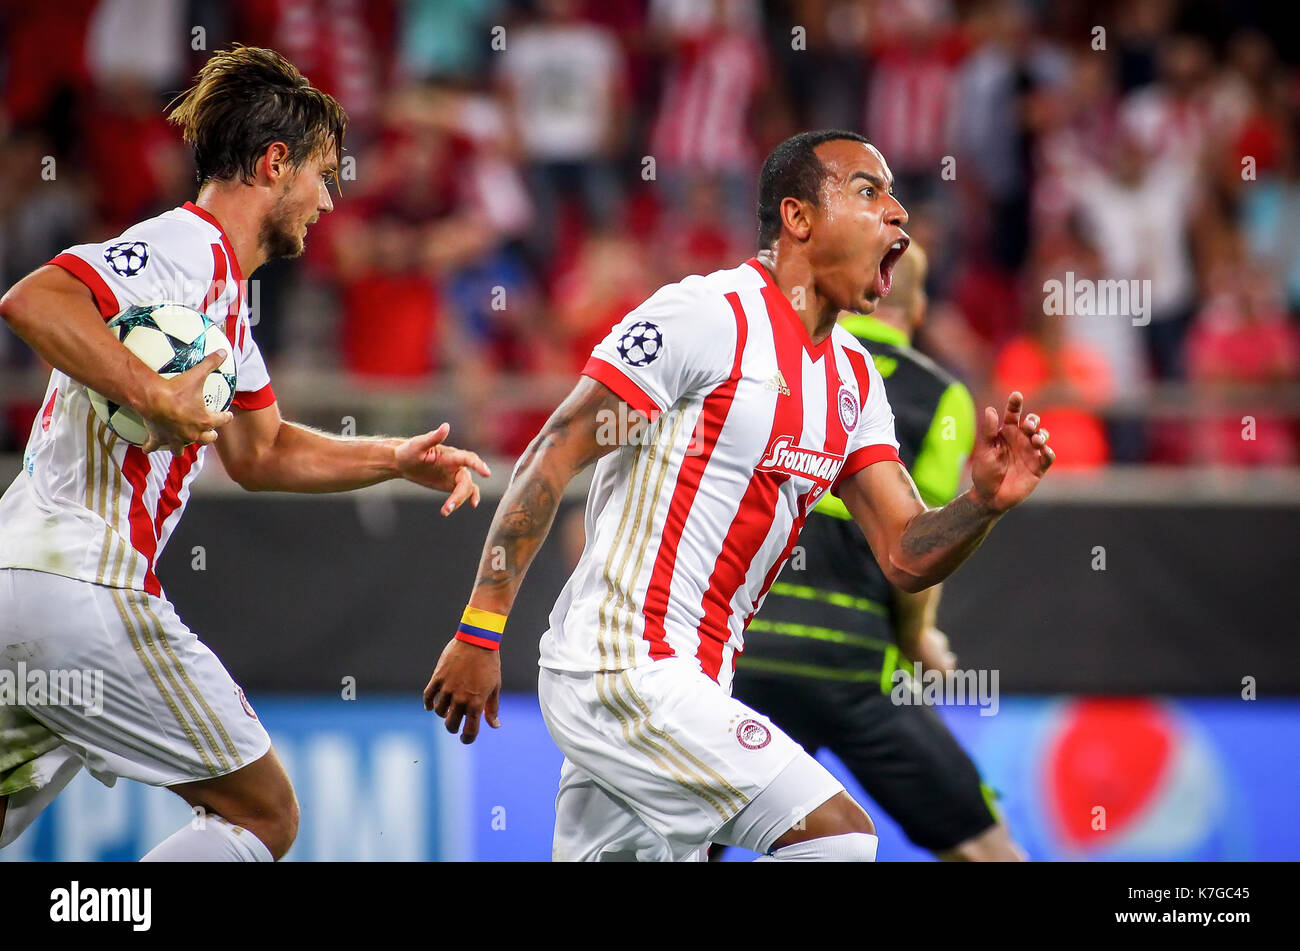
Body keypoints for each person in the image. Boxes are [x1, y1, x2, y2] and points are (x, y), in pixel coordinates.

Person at [424, 130, 1054, 862]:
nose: (898, 213)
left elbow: (905, 552)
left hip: (697, 679)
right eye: (867, 191)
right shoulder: (707, 317)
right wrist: (480, 627)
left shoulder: (852, 381)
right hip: (623, 663)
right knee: (840, 838)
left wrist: (983, 502)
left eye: (893, 196)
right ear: (798, 217)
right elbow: (553, 451)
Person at [0, 46, 489, 861]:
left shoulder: (224, 299)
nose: (329, 201)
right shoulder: (182, 249)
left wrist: (395, 455)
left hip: (20, 583)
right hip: (82, 581)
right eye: (323, 176)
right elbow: (32, 298)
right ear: (274, 164)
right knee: (264, 814)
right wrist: (155, 395)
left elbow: (263, 452)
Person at [723, 242, 1027, 861]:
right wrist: (918, 640)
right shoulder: (941, 395)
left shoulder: (768, 360)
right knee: (989, 853)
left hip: (740, 662)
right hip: (855, 669)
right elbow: (918, 547)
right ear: (914, 310)